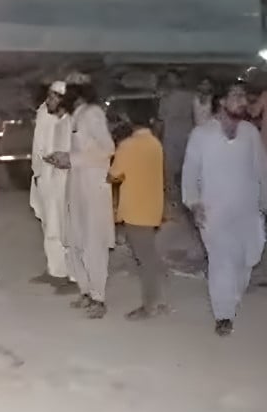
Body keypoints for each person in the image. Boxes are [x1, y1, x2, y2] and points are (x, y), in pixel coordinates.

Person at [181, 81, 267, 336]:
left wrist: (264, 203)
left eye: (244, 97)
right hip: (214, 211)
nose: (243, 102)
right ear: (221, 101)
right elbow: (190, 172)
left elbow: (261, 170)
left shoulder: (250, 133)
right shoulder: (202, 134)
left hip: (248, 211)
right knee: (221, 262)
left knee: (247, 259)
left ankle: (232, 298)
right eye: (236, 96)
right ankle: (224, 314)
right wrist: (194, 203)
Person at [50, 78, 115, 318]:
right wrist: (64, 157)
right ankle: (85, 291)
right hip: (77, 185)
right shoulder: (75, 117)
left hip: (93, 187)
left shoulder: (92, 113)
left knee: (93, 243)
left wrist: (73, 159)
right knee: (75, 240)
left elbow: (108, 148)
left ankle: (99, 298)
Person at [108, 102, 168, 319]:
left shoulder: (128, 145)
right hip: (152, 206)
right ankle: (158, 300)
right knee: (149, 256)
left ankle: (151, 305)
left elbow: (114, 175)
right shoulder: (155, 143)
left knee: (145, 260)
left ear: (129, 120)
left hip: (134, 208)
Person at [30, 82, 74, 290]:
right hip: (44, 175)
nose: (50, 100)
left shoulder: (69, 120)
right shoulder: (43, 112)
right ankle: (55, 270)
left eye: (55, 96)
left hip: (62, 178)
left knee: (63, 226)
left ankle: (70, 275)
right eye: (49, 95)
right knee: (49, 225)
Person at [157, 71, 192, 202]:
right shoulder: (191, 96)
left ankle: (173, 199)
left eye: (171, 78)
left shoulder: (166, 98)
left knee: (170, 170)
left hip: (172, 137)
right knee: (185, 169)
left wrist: (157, 137)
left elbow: (160, 120)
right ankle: (185, 198)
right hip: (186, 135)